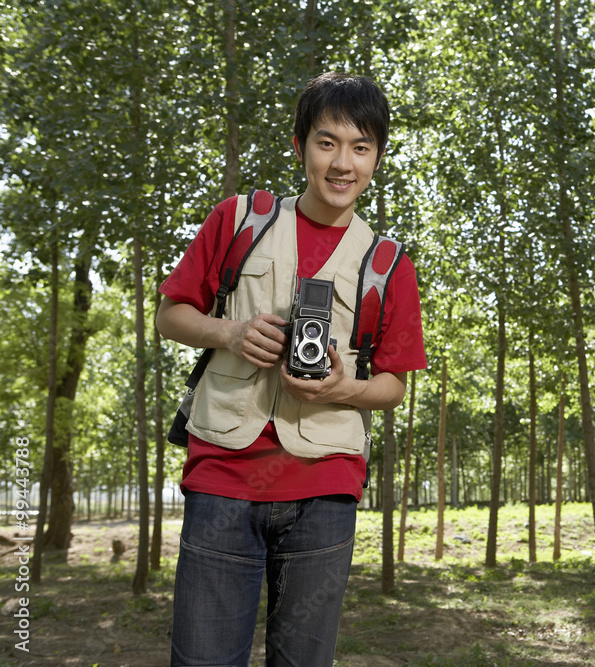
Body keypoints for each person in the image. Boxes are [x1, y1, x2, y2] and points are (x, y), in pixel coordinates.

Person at [156, 72, 426, 666]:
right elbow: (170, 315)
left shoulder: (386, 264)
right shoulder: (240, 221)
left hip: (325, 490)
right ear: (301, 144)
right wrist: (230, 331)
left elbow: (394, 384)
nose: (342, 163)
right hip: (223, 475)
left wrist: (344, 386)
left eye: (361, 147)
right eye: (327, 142)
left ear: (377, 157)